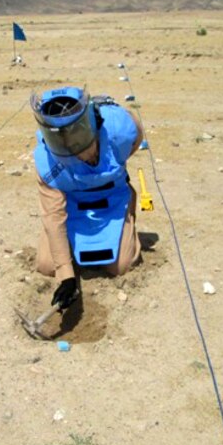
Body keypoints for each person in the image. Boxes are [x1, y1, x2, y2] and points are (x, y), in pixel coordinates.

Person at [31, 85, 144, 309]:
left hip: (112, 197)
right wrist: (67, 277)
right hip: (72, 203)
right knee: (47, 265)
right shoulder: (47, 162)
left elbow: (136, 138)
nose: (76, 157)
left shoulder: (119, 129)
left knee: (120, 266)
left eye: (79, 147)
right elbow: (54, 216)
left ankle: (125, 222)